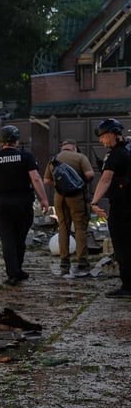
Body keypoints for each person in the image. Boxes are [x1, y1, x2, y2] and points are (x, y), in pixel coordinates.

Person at [0, 125, 50, 285]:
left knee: (7, 238)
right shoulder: (26, 157)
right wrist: (44, 199)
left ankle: (13, 273)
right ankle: (17, 269)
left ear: (1, 141)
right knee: (20, 237)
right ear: (17, 141)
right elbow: (36, 178)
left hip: (2, 203)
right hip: (23, 202)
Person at [88, 118, 131, 298]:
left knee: (123, 246)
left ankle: (128, 287)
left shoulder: (116, 155)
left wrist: (94, 202)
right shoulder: (128, 150)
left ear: (113, 134)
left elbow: (105, 179)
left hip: (122, 208)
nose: (101, 141)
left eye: (103, 136)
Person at [42, 138, 95, 278]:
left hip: (59, 197)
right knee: (79, 227)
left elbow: (46, 181)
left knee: (63, 227)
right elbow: (90, 175)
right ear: (74, 147)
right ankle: (82, 260)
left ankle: (64, 260)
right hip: (77, 197)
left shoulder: (54, 160)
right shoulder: (80, 157)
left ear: (63, 148)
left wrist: (60, 183)